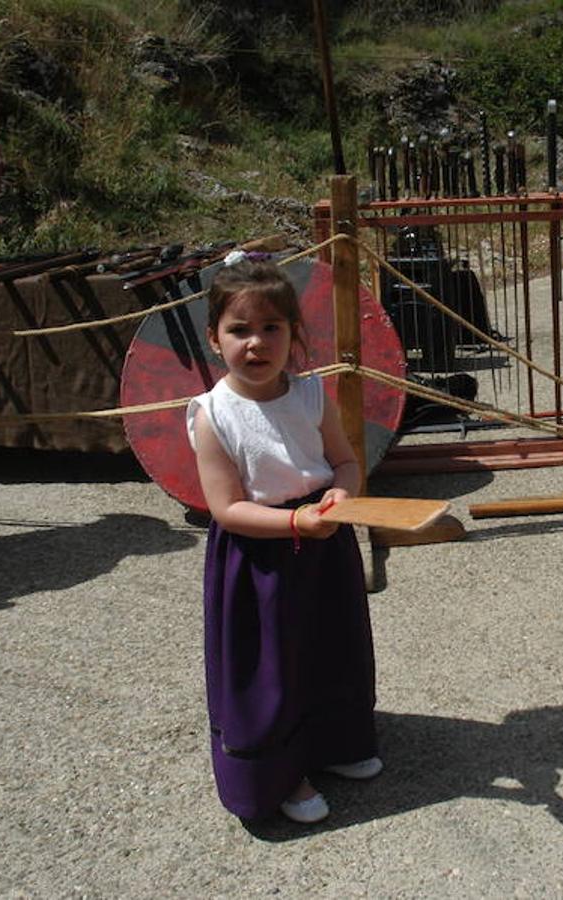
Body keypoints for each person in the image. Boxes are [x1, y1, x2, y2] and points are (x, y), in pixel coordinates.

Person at [187, 260, 381, 824]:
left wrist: (340, 497)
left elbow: (344, 462)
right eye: (239, 330)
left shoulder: (311, 394)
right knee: (272, 665)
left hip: (323, 546)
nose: (256, 343)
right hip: (258, 559)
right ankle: (281, 772)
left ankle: (335, 745)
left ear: (295, 334)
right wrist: (297, 524)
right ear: (214, 337)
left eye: (272, 328)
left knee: (331, 647)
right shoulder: (212, 415)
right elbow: (226, 508)